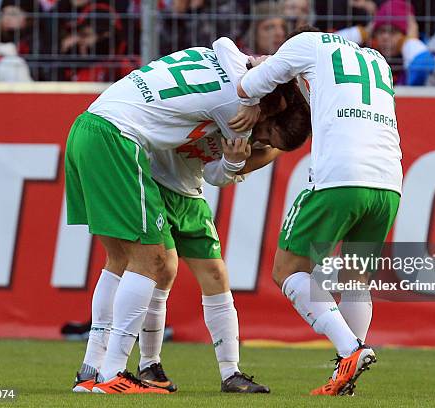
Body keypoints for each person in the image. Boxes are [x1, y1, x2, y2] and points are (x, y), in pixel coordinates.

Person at [65, 44, 257, 394]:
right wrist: (237, 156)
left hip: (95, 127)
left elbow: (224, 45)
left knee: (131, 261)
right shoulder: (242, 108)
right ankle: (112, 374)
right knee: (149, 261)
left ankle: (96, 368)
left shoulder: (212, 55)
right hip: (127, 147)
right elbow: (231, 164)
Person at [132, 37, 311, 394]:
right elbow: (224, 44)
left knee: (215, 273)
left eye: (271, 142)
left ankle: (231, 373)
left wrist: (233, 160)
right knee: (161, 271)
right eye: (268, 133)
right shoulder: (241, 93)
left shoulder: (260, 146)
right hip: (152, 176)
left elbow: (215, 175)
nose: (263, 140)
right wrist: (248, 98)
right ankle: (148, 365)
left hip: (187, 188)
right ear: (272, 110)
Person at [233, 26, 402, 396]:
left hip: (340, 172)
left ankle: (350, 350)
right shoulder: (377, 59)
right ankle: (348, 375)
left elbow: (247, 86)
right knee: (356, 280)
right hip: (389, 178)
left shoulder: (304, 44)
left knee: (288, 270)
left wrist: (265, 67)